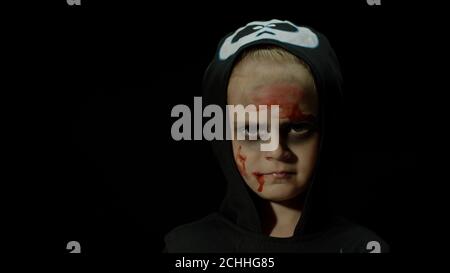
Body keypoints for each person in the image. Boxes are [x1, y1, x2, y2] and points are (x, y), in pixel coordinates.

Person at [164, 19, 389, 253]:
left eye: (297, 128)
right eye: (252, 130)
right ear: (223, 136)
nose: (276, 150)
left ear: (327, 130)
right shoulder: (189, 247)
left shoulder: (362, 249)